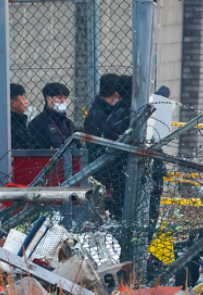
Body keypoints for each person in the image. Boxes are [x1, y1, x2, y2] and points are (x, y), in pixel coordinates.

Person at [84, 74, 130, 219]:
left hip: (107, 174)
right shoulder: (100, 115)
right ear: (116, 94)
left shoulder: (108, 113)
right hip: (103, 174)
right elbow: (96, 149)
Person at [29, 82, 75, 148]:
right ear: (48, 99)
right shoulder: (38, 123)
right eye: (59, 98)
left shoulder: (68, 123)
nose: (63, 101)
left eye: (65, 98)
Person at [10, 83, 34, 149]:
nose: (26, 102)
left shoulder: (20, 121)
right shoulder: (10, 124)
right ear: (12, 102)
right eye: (23, 99)